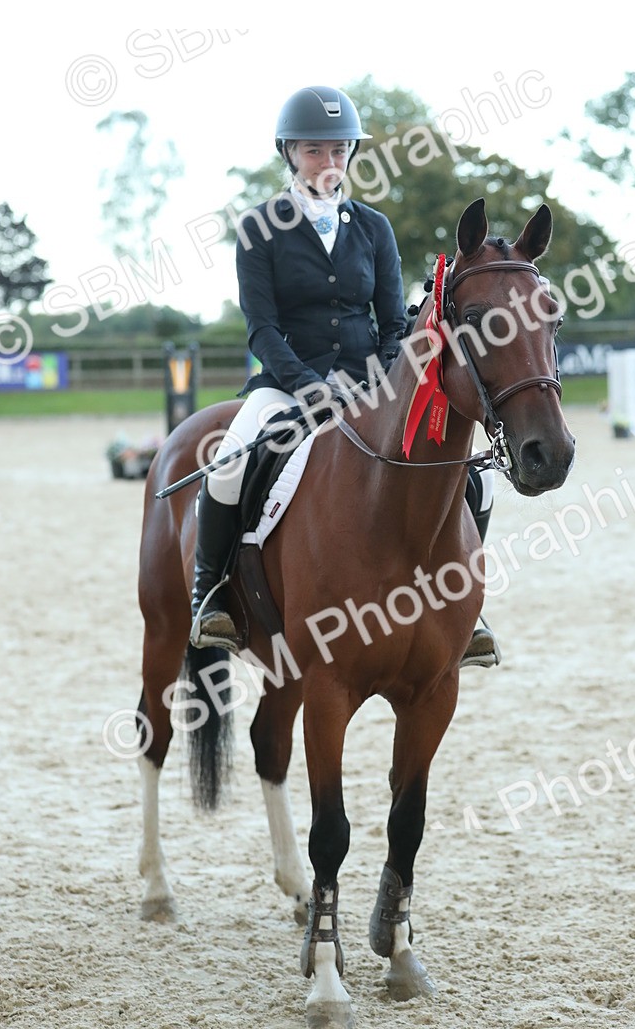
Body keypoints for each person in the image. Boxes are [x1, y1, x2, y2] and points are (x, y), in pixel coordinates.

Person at [189, 85, 499, 667]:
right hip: (286, 385)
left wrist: (380, 380)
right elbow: (261, 329)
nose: (327, 164)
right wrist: (309, 386)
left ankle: (465, 604)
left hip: (370, 382)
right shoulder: (259, 227)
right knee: (229, 462)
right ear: (289, 153)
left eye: (338, 151)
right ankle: (212, 597)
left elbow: (390, 323)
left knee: (469, 476)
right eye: (313, 151)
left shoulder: (374, 228)